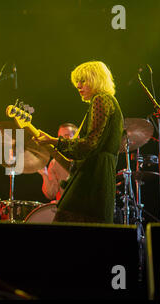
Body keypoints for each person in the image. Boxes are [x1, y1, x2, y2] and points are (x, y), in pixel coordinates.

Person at [34, 61, 124, 223]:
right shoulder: (110, 101)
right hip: (101, 174)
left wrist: (54, 141)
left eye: (83, 80)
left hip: (92, 177)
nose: (78, 85)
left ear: (96, 79)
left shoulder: (100, 100)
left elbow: (89, 144)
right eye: (77, 81)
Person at [37, 123, 77, 202]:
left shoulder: (86, 159)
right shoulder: (55, 163)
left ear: (77, 138)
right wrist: (44, 174)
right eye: (59, 137)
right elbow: (50, 194)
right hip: (66, 210)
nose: (61, 141)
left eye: (66, 136)